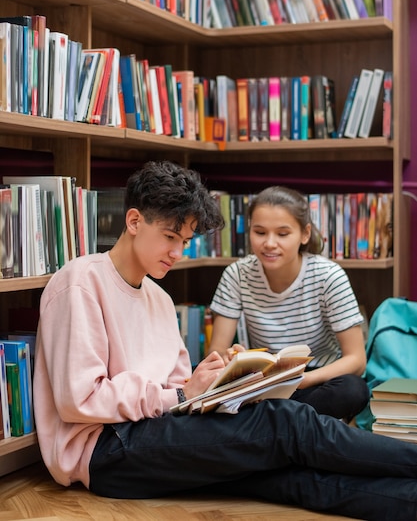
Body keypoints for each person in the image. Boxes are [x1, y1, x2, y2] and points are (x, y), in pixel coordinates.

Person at [33, 161, 417, 521]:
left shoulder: (160, 299)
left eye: (184, 240)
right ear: (134, 220)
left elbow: (180, 389)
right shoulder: (80, 282)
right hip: (104, 451)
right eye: (170, 237)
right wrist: (182, 395)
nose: (177, 253)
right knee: (285, 423)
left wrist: (217, 385)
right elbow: (79, 401)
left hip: (152, 433)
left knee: (287, 474)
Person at [209, 185, 370, 421]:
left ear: (304, 234)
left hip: (314, 380)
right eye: (260, 232)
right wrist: (231, 359)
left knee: (353, 390)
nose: (270, 243)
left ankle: (272, 422)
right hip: (262, 383)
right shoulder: (237, 274)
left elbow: (356, 360)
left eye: (282, 234)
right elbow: (216, 351)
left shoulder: (328, 275)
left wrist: (300, 381)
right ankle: (290, 423)